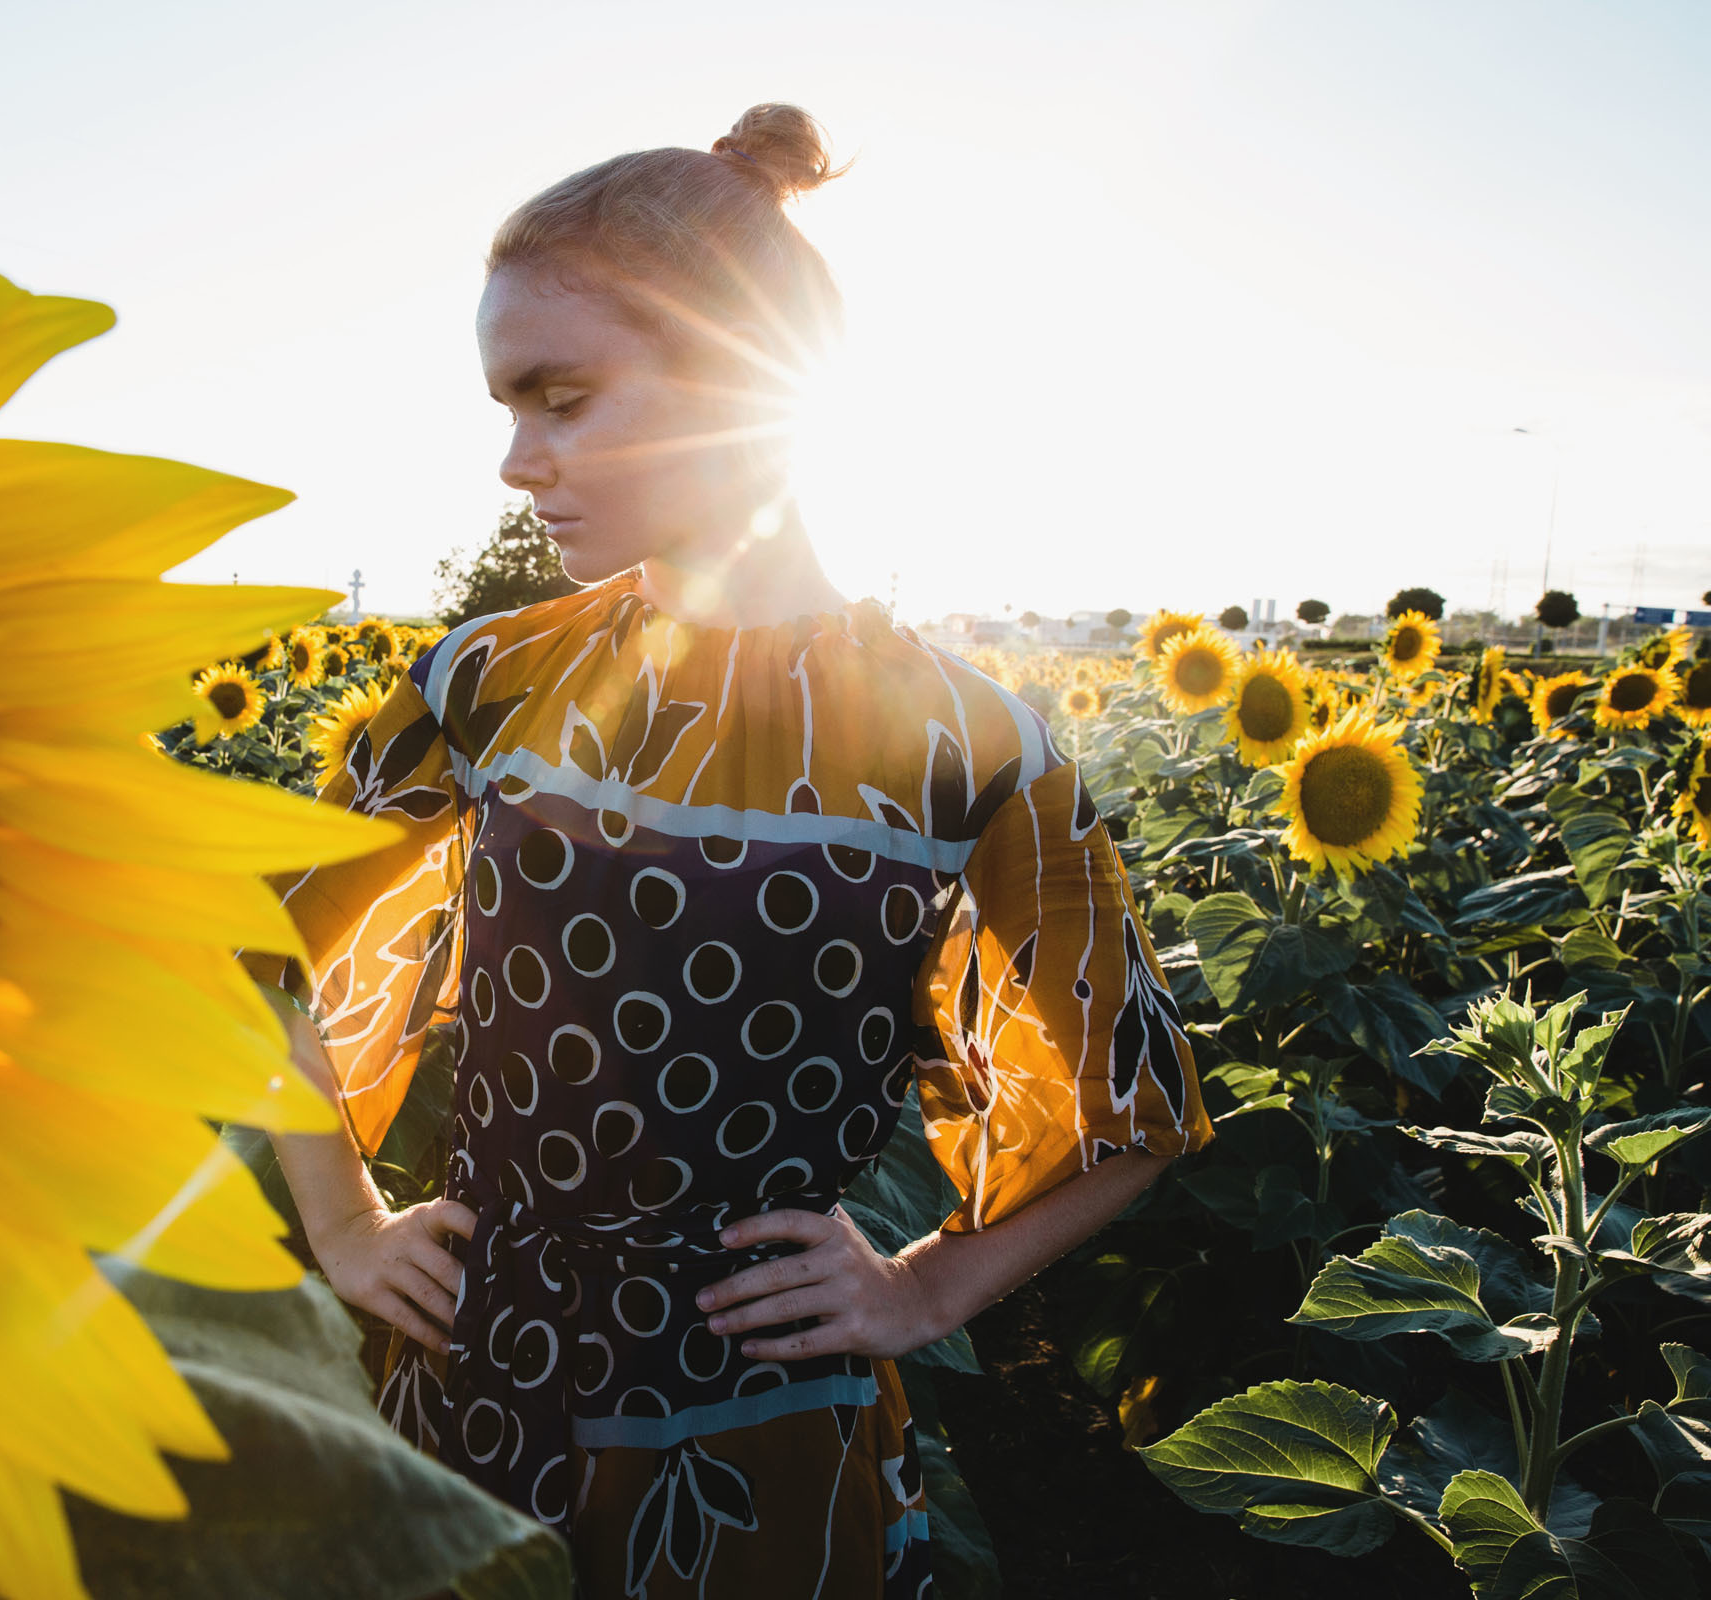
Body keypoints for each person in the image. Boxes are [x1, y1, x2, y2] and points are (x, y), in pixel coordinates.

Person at [244, 104, 1212, 1599]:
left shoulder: (972, 745)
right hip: (468, 1386)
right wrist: (345, 1223)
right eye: (507, 406)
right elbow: (274, 951)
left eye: (559, 398)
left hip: (771, 1433)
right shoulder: (483, 685)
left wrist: (922, 1288)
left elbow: (1126, 1101)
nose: (517, 460)